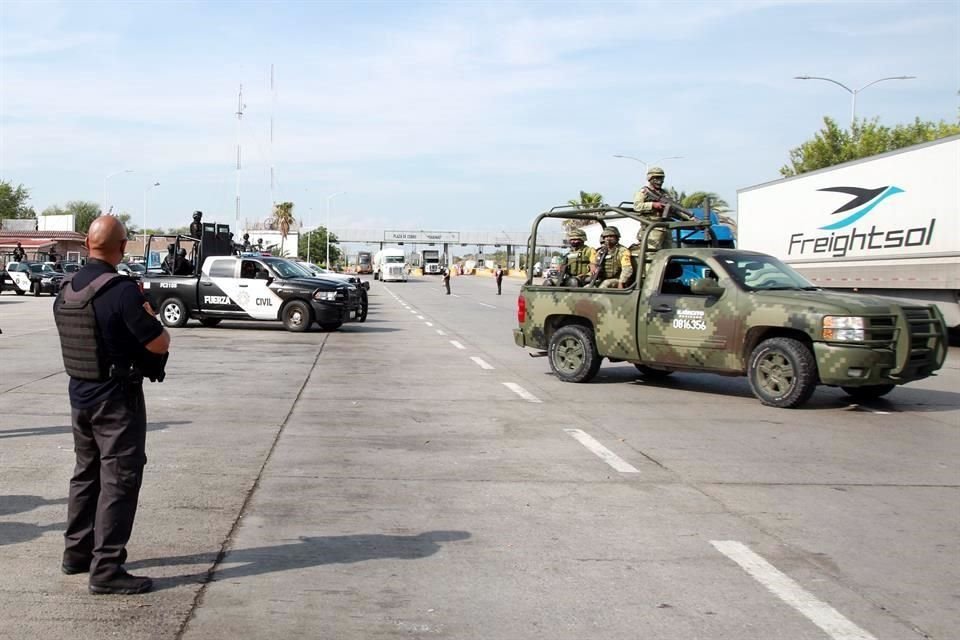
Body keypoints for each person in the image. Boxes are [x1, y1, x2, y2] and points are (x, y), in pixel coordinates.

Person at [53, 215, 170, 595]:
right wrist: (154, 320)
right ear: (121, 248)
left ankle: (77, 553)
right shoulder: (121, 291)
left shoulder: (67, 287)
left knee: (86, 473)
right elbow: (158, 343)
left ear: (87, 244)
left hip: (79, 395)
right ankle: (106, 569)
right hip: (115, 400)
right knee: (119, 479)